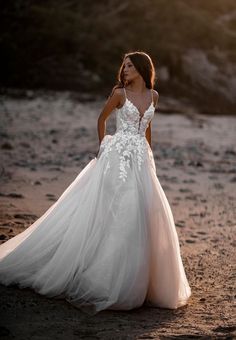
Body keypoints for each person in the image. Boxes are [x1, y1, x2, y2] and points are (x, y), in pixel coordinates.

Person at [0, 51, 191, 315]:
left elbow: (147, 129)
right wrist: (104, 147)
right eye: (123, 65)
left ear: (143, 69)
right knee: (119, 212)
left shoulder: (154, 96)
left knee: (145, 214)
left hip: (141, 159)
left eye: (130, 66)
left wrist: (150, 155)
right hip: (116, 157)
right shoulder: (119, 94)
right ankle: (106, 277)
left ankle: (142, 282)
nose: (124, 69)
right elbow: (101, 120)